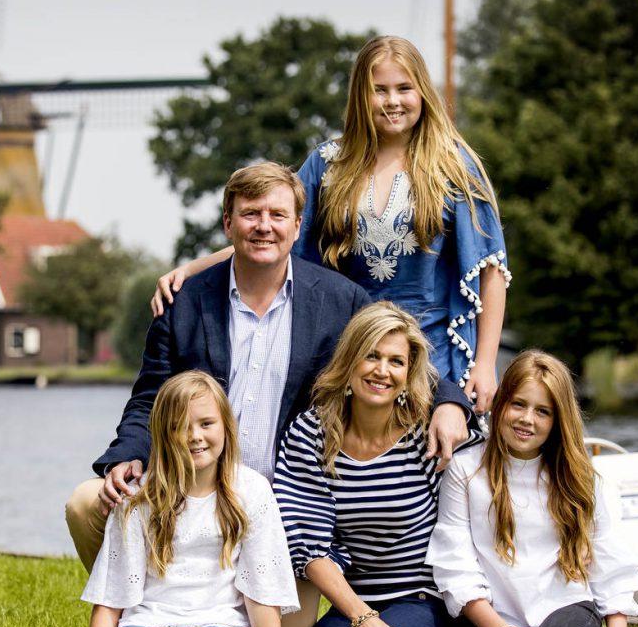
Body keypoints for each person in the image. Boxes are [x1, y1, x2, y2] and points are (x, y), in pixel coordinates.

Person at [66, 162, 472, 627]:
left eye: (277, 215)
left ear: (297, 227)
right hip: (192, 487)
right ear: (228, 224)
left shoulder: (338, 300)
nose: (264, 226)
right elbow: (150, 396)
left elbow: (393, 353)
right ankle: (150, 620)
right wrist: (127, 456)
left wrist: (451, 400)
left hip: (280, 508)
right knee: (87, 502)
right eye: (251, 214)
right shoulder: (185, 301)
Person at [151, 36, 510, 414]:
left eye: (404, 88)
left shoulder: (454, 167)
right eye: (379, 90)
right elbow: (272, 235)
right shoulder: (329, 164)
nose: (392, 101)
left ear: (422, 92)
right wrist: (188, 271)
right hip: (351, 352)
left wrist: (486, 364)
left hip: (430, 354)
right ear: (360, 95)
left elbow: (490, 269)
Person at [426, 350, 638, 627]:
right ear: (501, 402)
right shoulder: (466, 471)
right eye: (518, 404)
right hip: (503, 616)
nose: (528, 419)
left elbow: (608, 558)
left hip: (566, 606)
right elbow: (456, 562)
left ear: (558, 420)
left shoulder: (577, 476)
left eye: (543, 411)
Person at [274, 302, 481, 627]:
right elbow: (306, 545)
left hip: (425, 602)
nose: (382, 371)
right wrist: (361, 616)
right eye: (371, 355)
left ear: (408, 374)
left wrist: (456, 406)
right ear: (350, 360)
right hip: (358, 601)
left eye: (395, 361)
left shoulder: (427, 433)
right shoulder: (311, 433)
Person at [71, 371, 299, 627]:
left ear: (225, 427)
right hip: (149, 618)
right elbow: (112, 593)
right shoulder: (140, 495)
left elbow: (263, 593)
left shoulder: (252, 491)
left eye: (206, 424)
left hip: (219, 623)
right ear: (163, 434)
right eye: (180, 427)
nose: (195, 436)